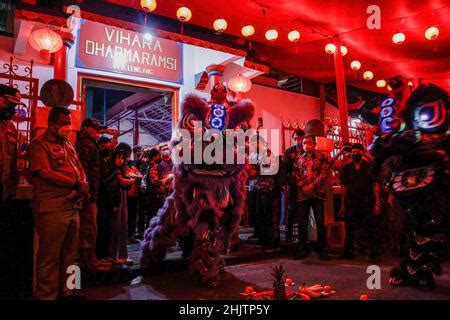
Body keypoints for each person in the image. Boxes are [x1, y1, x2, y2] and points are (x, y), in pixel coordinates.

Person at [29, 107, 89, 300]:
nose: (68, 127)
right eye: (64, 123)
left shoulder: (68, 144)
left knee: (72, 254)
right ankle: (46, 296)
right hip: (53, 208)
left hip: (73, 205)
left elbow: (78, 166)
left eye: (69, 122)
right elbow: (43, 172)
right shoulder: (40, 144)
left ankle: (69, 291)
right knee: (49, 256)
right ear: (52, 124)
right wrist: (75, 183)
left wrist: (83, 183)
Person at [76, 118, 113, 272]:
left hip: (90, 193)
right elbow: (83, 171)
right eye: (96, 129)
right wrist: (88, 193)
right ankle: (90, 262)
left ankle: (91, 260)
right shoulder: (86, 145)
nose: (98, 132)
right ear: (86, 128)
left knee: (90, 228)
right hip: (88, 195)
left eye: (99, 129)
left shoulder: (90, 144)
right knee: (89, 229)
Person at [0, 84, 24, 299]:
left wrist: (14, 187)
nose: (12, 109)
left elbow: (13, 162)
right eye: (9, 103)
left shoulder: (10, 128)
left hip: (5, 194)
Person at [340, 143, 381, 262]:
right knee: (350, 229)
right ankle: (348, 252)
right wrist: (342, 205)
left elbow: (375, 185)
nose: (354, 154)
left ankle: (374, 254)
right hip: (351, 202)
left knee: (370, 228)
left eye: (357, 152)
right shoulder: (347, 168)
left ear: (362, 153)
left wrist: (377, 203)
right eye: (353, 153)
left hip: (367, 202)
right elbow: (344, 187)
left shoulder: (369, 167)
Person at [293, 135, 330, 260]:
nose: (306, 145)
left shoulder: (322, 157)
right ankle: (303, 248)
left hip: (317, 193)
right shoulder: (298, 158)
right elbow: (296, 174)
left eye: (308, 142)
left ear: (314, 143)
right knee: (302, 222)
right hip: (303, 194)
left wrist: (312, 186)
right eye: (304, 143)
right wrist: (304, 187)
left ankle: (322, 250)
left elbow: (324, 173)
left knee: (320, 222)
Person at [105, 143, 136, 265]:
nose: (128, 158)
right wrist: (128, 179)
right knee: (116, 226)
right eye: (127, 155)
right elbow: (119, 180)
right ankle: (112, 256)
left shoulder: (122, 164)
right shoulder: (113, 164)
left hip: (121, 195)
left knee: (123, 224)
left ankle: (122, 255)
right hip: (115, 196)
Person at [282, 129, 305, 243]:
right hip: (292, 185)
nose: (297, 141)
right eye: (295, 138)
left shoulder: (306, 151)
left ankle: (302, 238)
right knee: (291, 210)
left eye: (300, 138)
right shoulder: (288, 152)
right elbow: (284, 170)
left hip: (305, 185)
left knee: (303, 212)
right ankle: (288, 236)